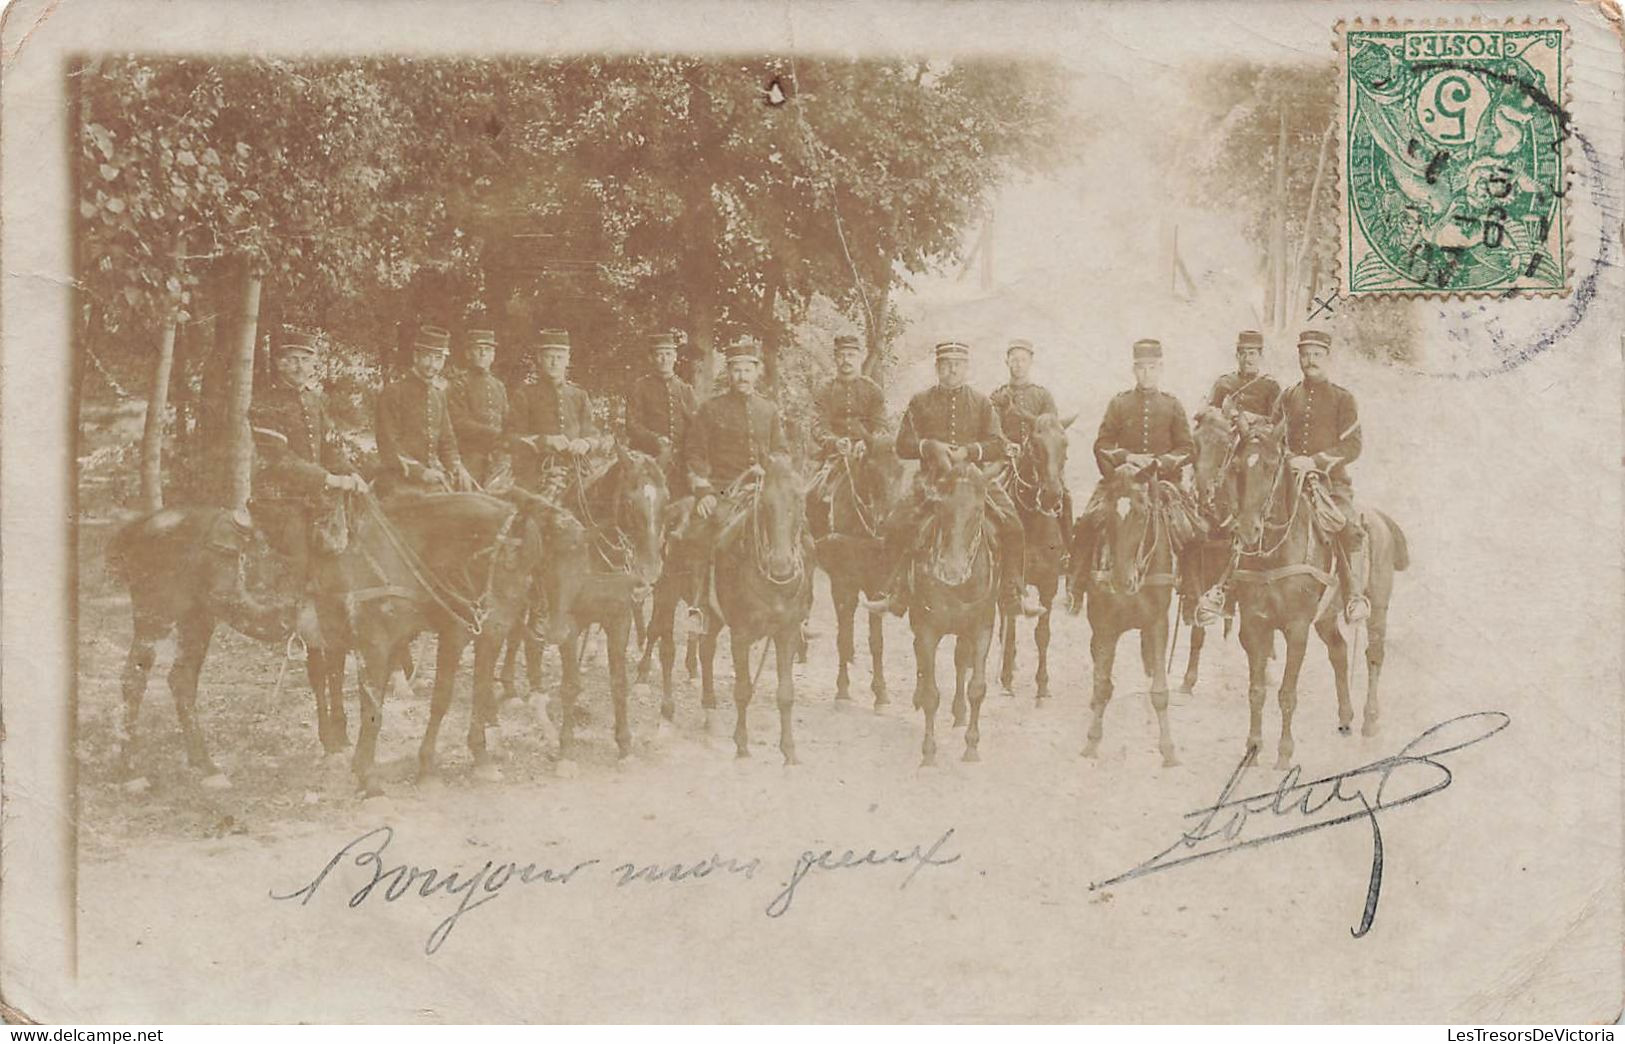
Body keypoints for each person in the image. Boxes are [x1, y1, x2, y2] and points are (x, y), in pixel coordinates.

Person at [860, 340, 1042, 619]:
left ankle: (1011, 593)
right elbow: (903, 444)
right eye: (946, 364)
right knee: (897, 523)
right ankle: (893, 592)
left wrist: (970, 451)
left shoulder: (981, 402)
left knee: (1014, 526)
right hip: (932, 481)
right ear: (937, 368)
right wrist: (930, 446)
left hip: (975, 481)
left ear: (967, 368)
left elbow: (996, 444)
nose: (952, 370)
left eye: (958, 364)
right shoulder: (920, 401)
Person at [682, 335, 788, 632]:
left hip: (761, 489)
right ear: (728, 373)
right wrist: (703, 491)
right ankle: (699, 606)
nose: (742, 376)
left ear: (757, 372)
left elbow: (782, 450)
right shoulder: (711, 409)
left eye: (747, 369)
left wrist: (769, 466)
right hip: (723, 490)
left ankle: (797, 612)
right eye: (736, 370)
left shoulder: (769, 410)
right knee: (704, 534)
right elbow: (695, 453)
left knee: (794, 531)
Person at [248, 328, 365, 590]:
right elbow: (279, 459)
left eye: (305, 359)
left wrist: (352, 473)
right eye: (291, 359)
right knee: (298, 554)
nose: (299, 366)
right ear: (279, 362)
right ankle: (288, 620)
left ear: (314, 364)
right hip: (278, 496)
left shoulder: (314, 400)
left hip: (315, 496)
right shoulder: (265, 402)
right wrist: (328, 479)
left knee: (356, 537)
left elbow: (331, 446)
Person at [1073, 338, 1194, 590]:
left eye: (1152, 367)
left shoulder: (1172, 405)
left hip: (1163, 483)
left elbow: (1187, 448)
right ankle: (1077, 586)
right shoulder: (1119, 403)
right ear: (1133, 370)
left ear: (1160, 369)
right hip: (1122, 483)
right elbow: (1102, 445)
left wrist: (1160, 463)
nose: (1146, 374)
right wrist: (1128, 458)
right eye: (1141, 367)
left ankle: (1192, 592)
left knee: (1192, 529)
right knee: (1088, 521)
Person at [1272, 328, 1369, 622]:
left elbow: (1352, 446)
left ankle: (1353, 595)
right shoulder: (1287, 396)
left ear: (1328, 358)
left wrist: (1313, 462)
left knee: (1345, 525)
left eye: (1316, 354)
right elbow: (1272, 439)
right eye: (1305, 354)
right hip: (1287, 481)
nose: (1310, 360)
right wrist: (1290, 460)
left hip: (1329, 484)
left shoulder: (1343, 399)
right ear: (1298, 357)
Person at [374, 324, 473, 497]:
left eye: (438, 359)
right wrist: (421, 473)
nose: (432, 365)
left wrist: (457, 466)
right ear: (416, 356)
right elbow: (389, 446)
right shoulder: (394, 392)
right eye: (428, 357)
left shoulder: (438, 396)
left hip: (435, 480)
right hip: (400, 480)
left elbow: (447, 441)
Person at [805, 333, 887, 539]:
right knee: (812, 494)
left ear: (859, 357)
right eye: (841, 355)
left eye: (851, 355)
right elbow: (818, 424)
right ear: (835, 358)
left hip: (867, 454)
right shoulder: (825, 389)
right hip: (835, 456)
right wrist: (834, 442)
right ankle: (818, 541)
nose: (846, 360)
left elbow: (882, 426)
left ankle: (886, 536)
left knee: (889, 489)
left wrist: (867, 442)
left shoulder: (873, 390)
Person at [506, 328, 608, 491]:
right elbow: (511, 437)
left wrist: (585, 443)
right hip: (537, 471)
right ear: (539, 358)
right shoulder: (525, 394)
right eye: (549, 357)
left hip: (576, 470)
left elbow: (593, 434)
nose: (554, 362)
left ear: (567, 360)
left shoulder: (579, 395)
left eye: (559, 358)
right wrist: (544, 440)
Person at [625, 331, 698, 493]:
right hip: (648, 457)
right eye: (659, 355)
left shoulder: (685, 389)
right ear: (651, 358)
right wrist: (655, 439)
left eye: (668, 354)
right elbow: (632, 424)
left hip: (679, 462)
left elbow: (696, 427)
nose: (664, 359)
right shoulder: (640, 386)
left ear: (675, 357)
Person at [446, 327, 510, 489]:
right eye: (478, 349)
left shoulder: (498, 386)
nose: (483, 354)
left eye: (488, 350)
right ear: (468, 354)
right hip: (469, 454)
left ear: (493, 355)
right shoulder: (459, 383)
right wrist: (494, 433)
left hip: (498, 455)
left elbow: (506, 418)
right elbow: (458, 422)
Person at [989, 338, 1058, 444]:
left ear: (1031, 362)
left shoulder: (1043, 395)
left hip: (1037, 456)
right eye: (1014, 360)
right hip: (1005, 455)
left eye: (1023, 360)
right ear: (1007, 362)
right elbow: (993, 430)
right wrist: (1007, 444)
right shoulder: (997, 395)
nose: (1019, 365)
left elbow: (1052, 430)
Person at [1207, 329, 1281, 424]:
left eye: (1252, 353)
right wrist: (1224, 415)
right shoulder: (1223, 383)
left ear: (1261, 356)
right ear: (1237, 356)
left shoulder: (1271, 386)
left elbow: (1279, 422)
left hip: (1258, 435)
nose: (1247, 359)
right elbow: (1209, 416)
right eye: (1243, 354)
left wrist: (1255, 418)